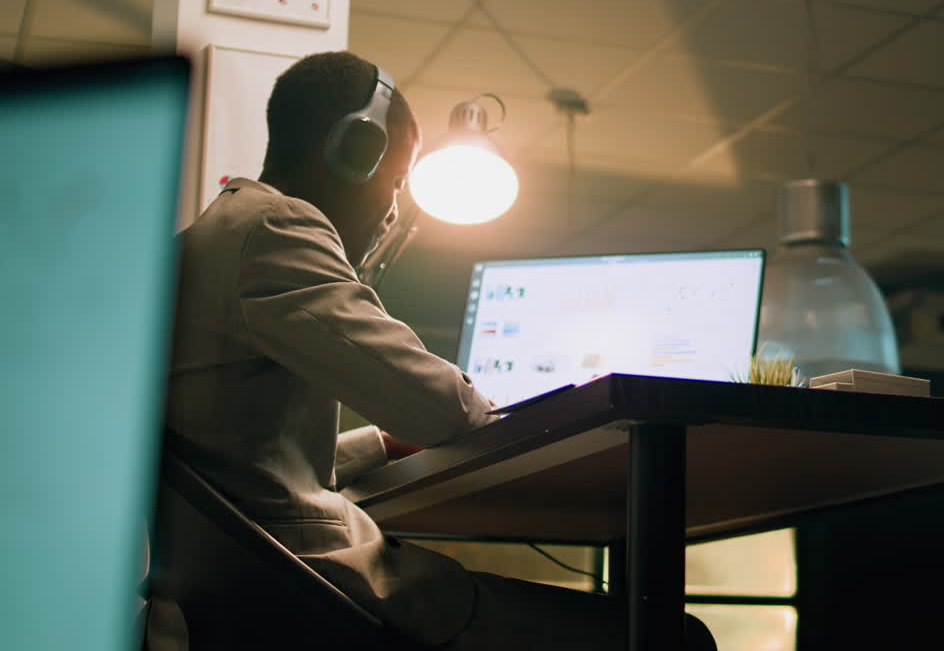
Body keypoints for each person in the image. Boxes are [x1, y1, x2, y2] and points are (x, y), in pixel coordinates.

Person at [160, 51, 715, 650]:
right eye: (398, 179)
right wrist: (488, 408)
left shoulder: (205, 242)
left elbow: (247, 460)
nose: (394, 208)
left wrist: (378, 445)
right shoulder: (277, 228)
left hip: (247, 589)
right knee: (677, 637)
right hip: (319, 587)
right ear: (355, 151)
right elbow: (443, 410)